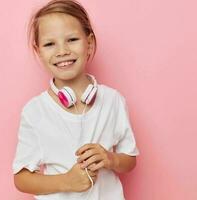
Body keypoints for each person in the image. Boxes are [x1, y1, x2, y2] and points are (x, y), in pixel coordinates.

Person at [12, 0, 140, 199]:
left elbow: (130, 160)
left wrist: (110, 159)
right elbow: (21, 179)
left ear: (88, 43)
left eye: (72, 39)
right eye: (49, 44)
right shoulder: (34, 111)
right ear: (38, 51)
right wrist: (67, 181)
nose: (62, 51)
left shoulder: (113, 101)